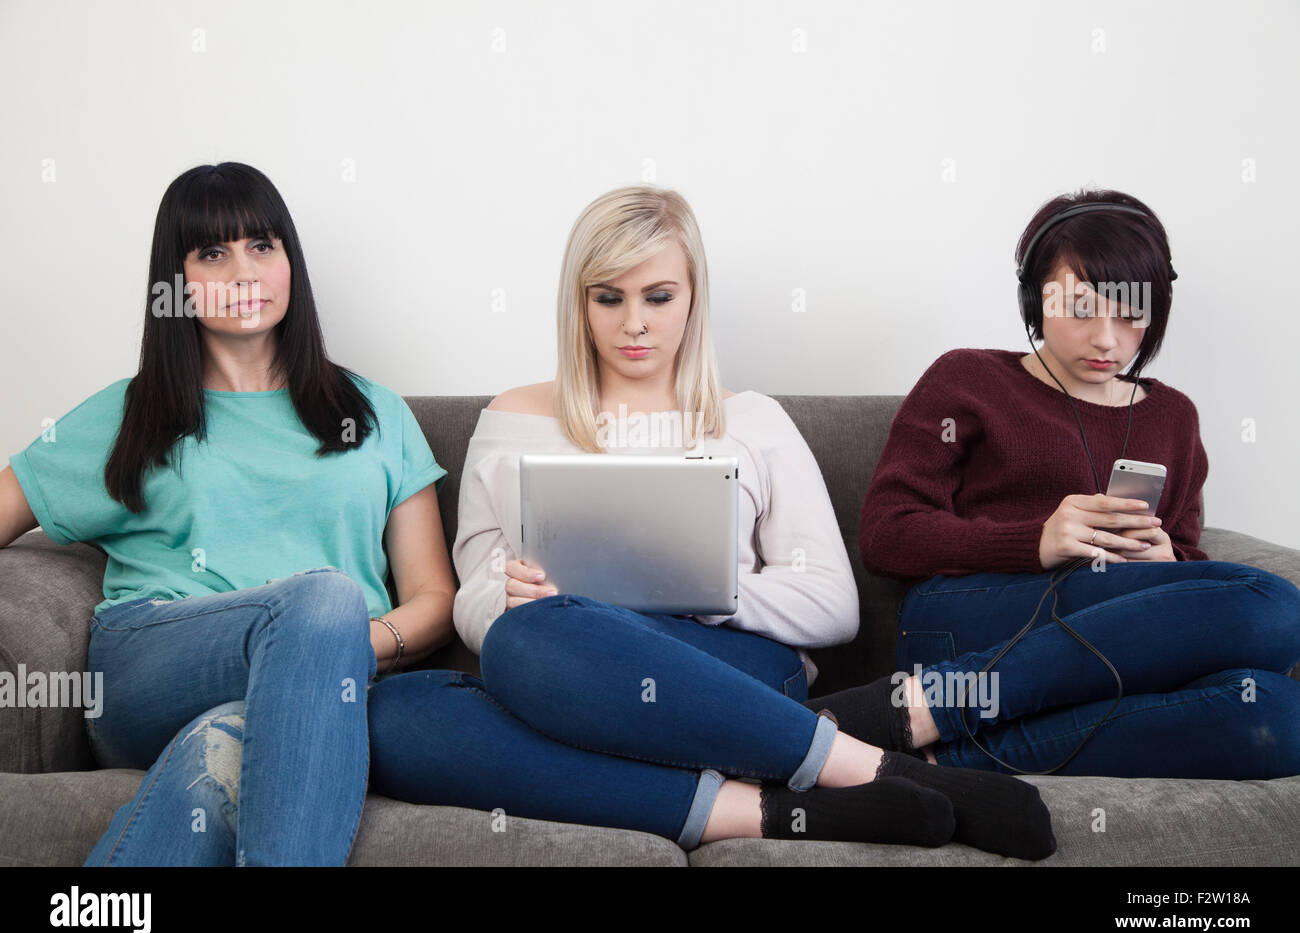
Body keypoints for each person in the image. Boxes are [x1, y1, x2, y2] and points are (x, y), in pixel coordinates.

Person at [368, 185, 1057, 859]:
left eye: (658, 297)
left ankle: (870, 769)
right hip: (561, 673)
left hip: (727, 675)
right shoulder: (511, 420)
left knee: (533, 642)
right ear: (576, 303)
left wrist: (704, 590)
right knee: (395, 716)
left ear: (694, 297)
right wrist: (511, 601)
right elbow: (472, 603)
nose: (634, 322)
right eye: (608, 298)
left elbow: (833, 607)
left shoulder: (754, 421)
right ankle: (772, 809)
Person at [0, 162, 456, 865]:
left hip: (314, 683)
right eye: (213, 253)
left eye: (262, 246)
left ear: (289, 263)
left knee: (229, 742)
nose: (243, 270)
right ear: (175, 284)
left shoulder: (372, 415)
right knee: (323, 599)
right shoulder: (132, 414)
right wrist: (318, 632)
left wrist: (329, 653)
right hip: (149, 665)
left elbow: (433, 596)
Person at [809, 189, 1300, 780]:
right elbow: (887, 536)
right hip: (969, 621)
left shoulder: (1174, 416)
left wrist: (1167, 561)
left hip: (1116, 637)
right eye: (1082, 309)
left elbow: (1192, 574)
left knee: (1275, 717)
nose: (1107, 340)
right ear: (1033, 298)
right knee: (1274, 608)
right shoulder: (967, 378)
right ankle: (933, 701)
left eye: (1129, 314)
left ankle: (937, 758)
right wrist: (1035, 541)